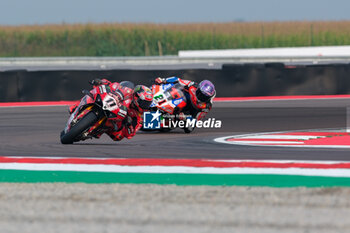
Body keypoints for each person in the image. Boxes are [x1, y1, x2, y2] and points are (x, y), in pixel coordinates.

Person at [69, 78, 153, 141]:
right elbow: (112, 84)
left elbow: (130, 134)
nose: (144, 105)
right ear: (136, 96)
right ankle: (77, 107)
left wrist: (129, 124)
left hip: (115, 120)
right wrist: (101, 82)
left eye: (146, 104)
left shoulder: (137, 116)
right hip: (107, 102)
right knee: (93, 93)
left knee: (118, 136)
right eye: (142, 102)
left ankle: (95, 130)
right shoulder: (127, 91)